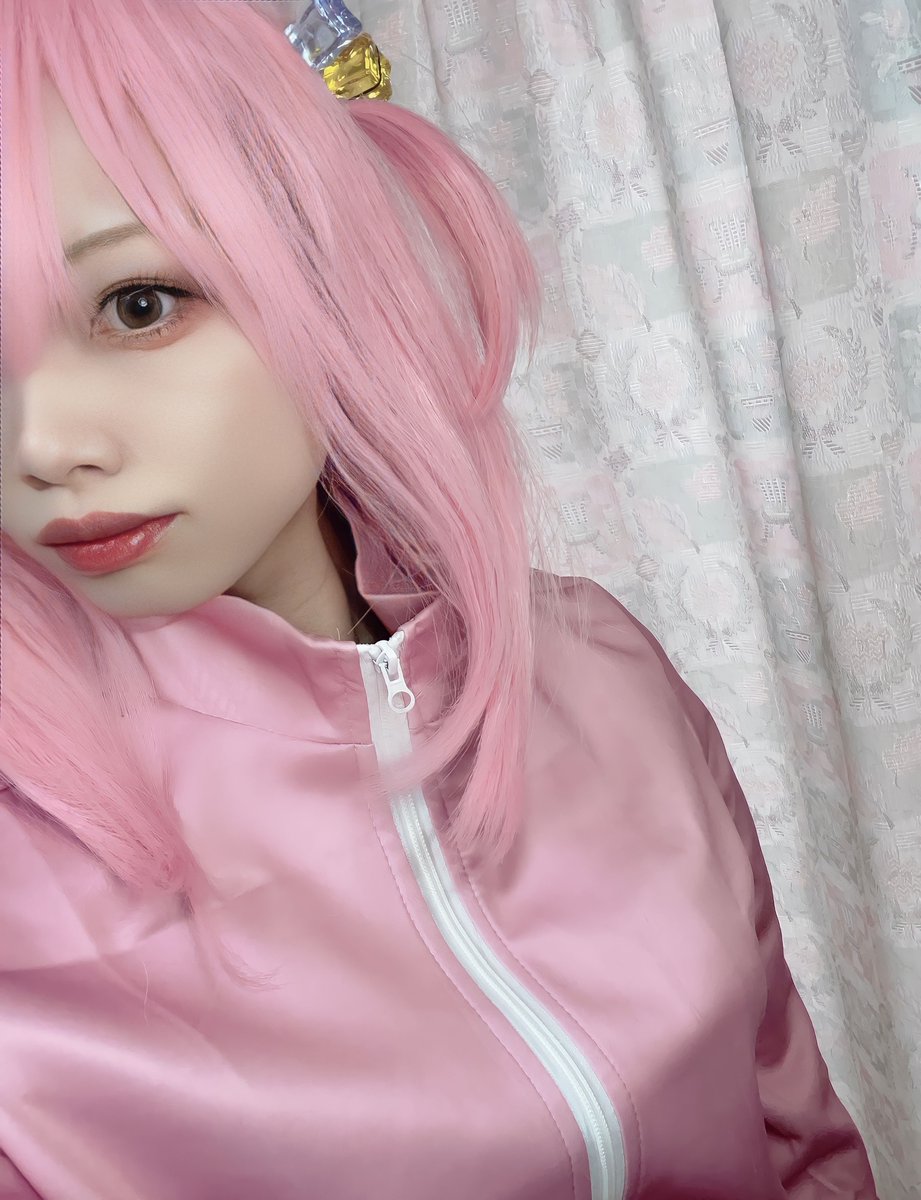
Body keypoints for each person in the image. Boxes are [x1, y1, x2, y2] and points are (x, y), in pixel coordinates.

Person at [0, 1, 879, 1197]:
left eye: (138, 304)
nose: (41, 447)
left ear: (320, 270)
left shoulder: (603, 669)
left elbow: (803, 1145)